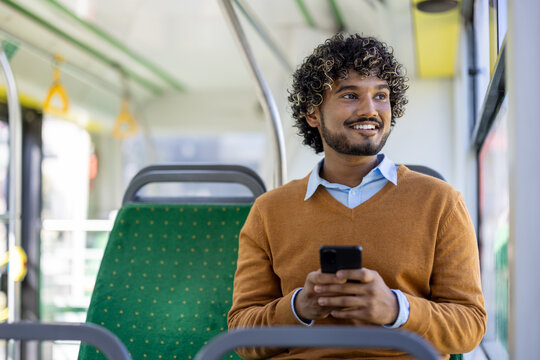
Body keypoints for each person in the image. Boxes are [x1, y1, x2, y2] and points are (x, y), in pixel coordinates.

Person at [228, 33, 486, 359]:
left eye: (381, 96)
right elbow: (242, 336)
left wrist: (396, 309)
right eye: (350, 95)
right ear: (312, 113)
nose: (370, 110)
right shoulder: (269, 211)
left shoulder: (441, 202)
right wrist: (297, 308)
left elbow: (470, 326)